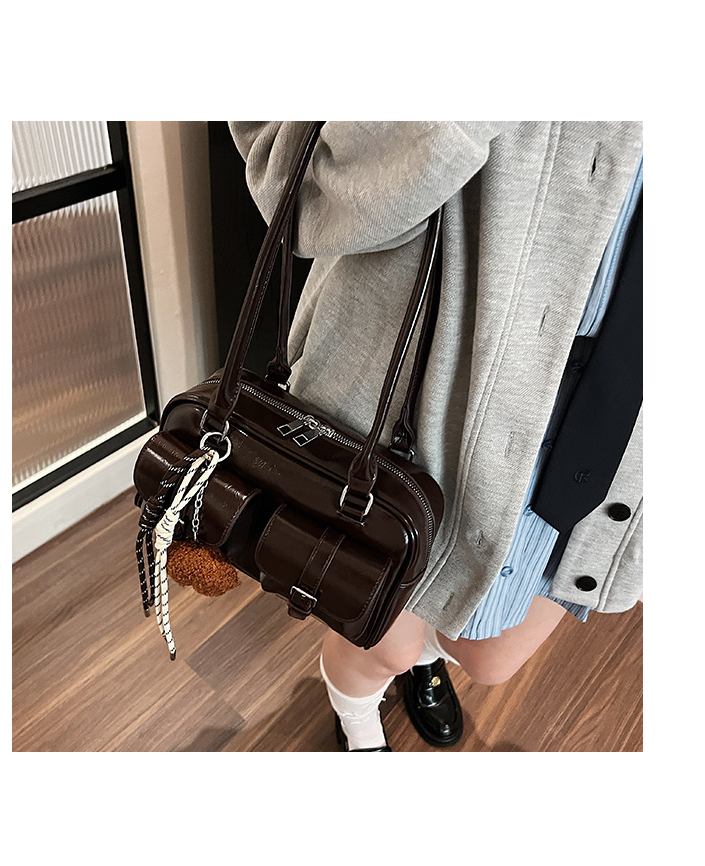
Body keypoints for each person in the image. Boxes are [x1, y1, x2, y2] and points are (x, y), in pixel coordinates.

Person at [228, 121, 643, 751]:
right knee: (378, 643)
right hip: (413, 395)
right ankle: (358, 716)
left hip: (616, 410)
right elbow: (294, 178)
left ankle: (422, 658)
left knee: (487, 655)